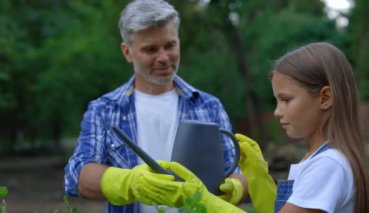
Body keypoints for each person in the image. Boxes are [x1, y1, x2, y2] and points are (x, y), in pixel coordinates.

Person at [136, 42, 369, 213]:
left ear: (325, 98)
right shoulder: (315, 159)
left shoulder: (328, 165)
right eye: (276, 100)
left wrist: (201, 198)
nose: (277, 111)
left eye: (286, 100)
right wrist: (259, 178)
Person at [63, 0, 247, 212]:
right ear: (127, 52)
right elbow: (77, 175)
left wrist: (233, 188)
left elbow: (236, 174)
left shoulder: (208, 106)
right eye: (150, 49)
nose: (163, 57)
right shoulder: (104, 110)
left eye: (170, 46)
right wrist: (130, 182)